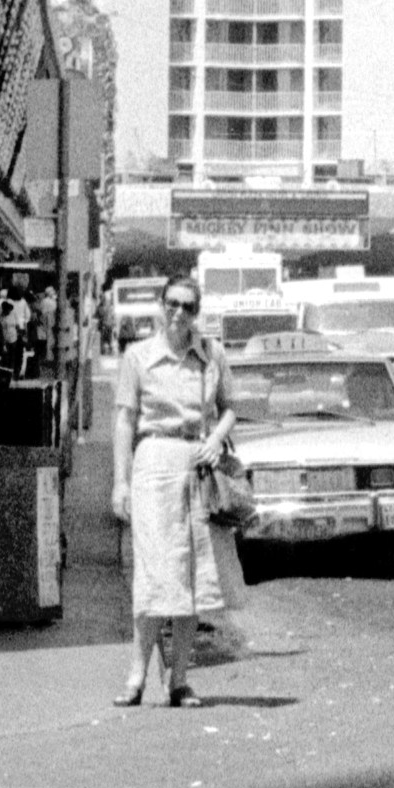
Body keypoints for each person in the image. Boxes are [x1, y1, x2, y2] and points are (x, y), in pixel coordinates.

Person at [116, 285, 240, 706]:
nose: (179, 313)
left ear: (197, 311)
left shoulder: (211, 355)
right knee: (154, 575)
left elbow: (229, 408)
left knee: (191, 580)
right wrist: (120, 481)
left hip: (198, 466)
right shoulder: (138, 357)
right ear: (160, 306)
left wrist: (217, 439)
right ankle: (136, 676)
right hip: (153, 463)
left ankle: (179, 680)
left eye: (188, 307)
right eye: (173, 304)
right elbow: (124, 420)